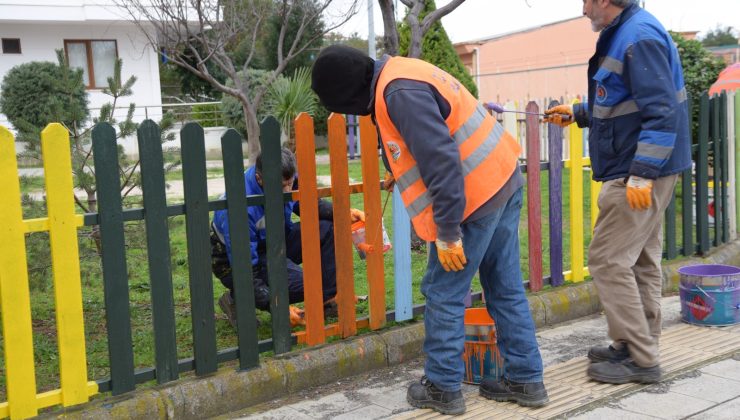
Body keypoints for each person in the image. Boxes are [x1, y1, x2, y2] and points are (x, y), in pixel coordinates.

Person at [311, 45, 548, 415]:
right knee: (504, 287)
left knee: (443, 292)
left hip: (473, 200)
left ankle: (442, 387)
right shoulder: (400, 73)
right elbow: (432, 137)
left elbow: (442, 162)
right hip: (501, 178)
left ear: (350, 96)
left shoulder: (397, 93)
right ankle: (526, 379)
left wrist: (450, 232)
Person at [545, 0, 691, 384]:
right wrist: (579, 113)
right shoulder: (629, 31)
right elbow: (628, 102)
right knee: (639, 259)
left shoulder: (637, 37)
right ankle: (635, 343)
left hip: (640, 172)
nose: (582, 9)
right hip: (645, 166)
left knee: (608, 259)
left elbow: (662, 113)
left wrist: (642, 174)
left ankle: (641, 359)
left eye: (586, 0)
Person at [210, 148, 365, 328]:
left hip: (275, 240)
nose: (288, 190)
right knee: (307, 286)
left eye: (290, 183)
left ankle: (328, 300)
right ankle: (237, 298)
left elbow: (308, 204)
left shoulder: (285, 176)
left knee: (327, 228)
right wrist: (276, 306)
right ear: (260, 179)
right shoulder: (239, 209)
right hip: (234, 261)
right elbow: (245, 269)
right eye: (282, 186)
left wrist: (342, 213)